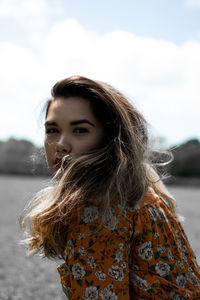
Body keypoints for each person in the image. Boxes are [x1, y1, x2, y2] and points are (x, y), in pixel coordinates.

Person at [21, 76, 200, 299]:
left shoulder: (99, 203)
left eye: (80, 130)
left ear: (109, 138)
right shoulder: (133, 190)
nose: (61, 144)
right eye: (52, 130)